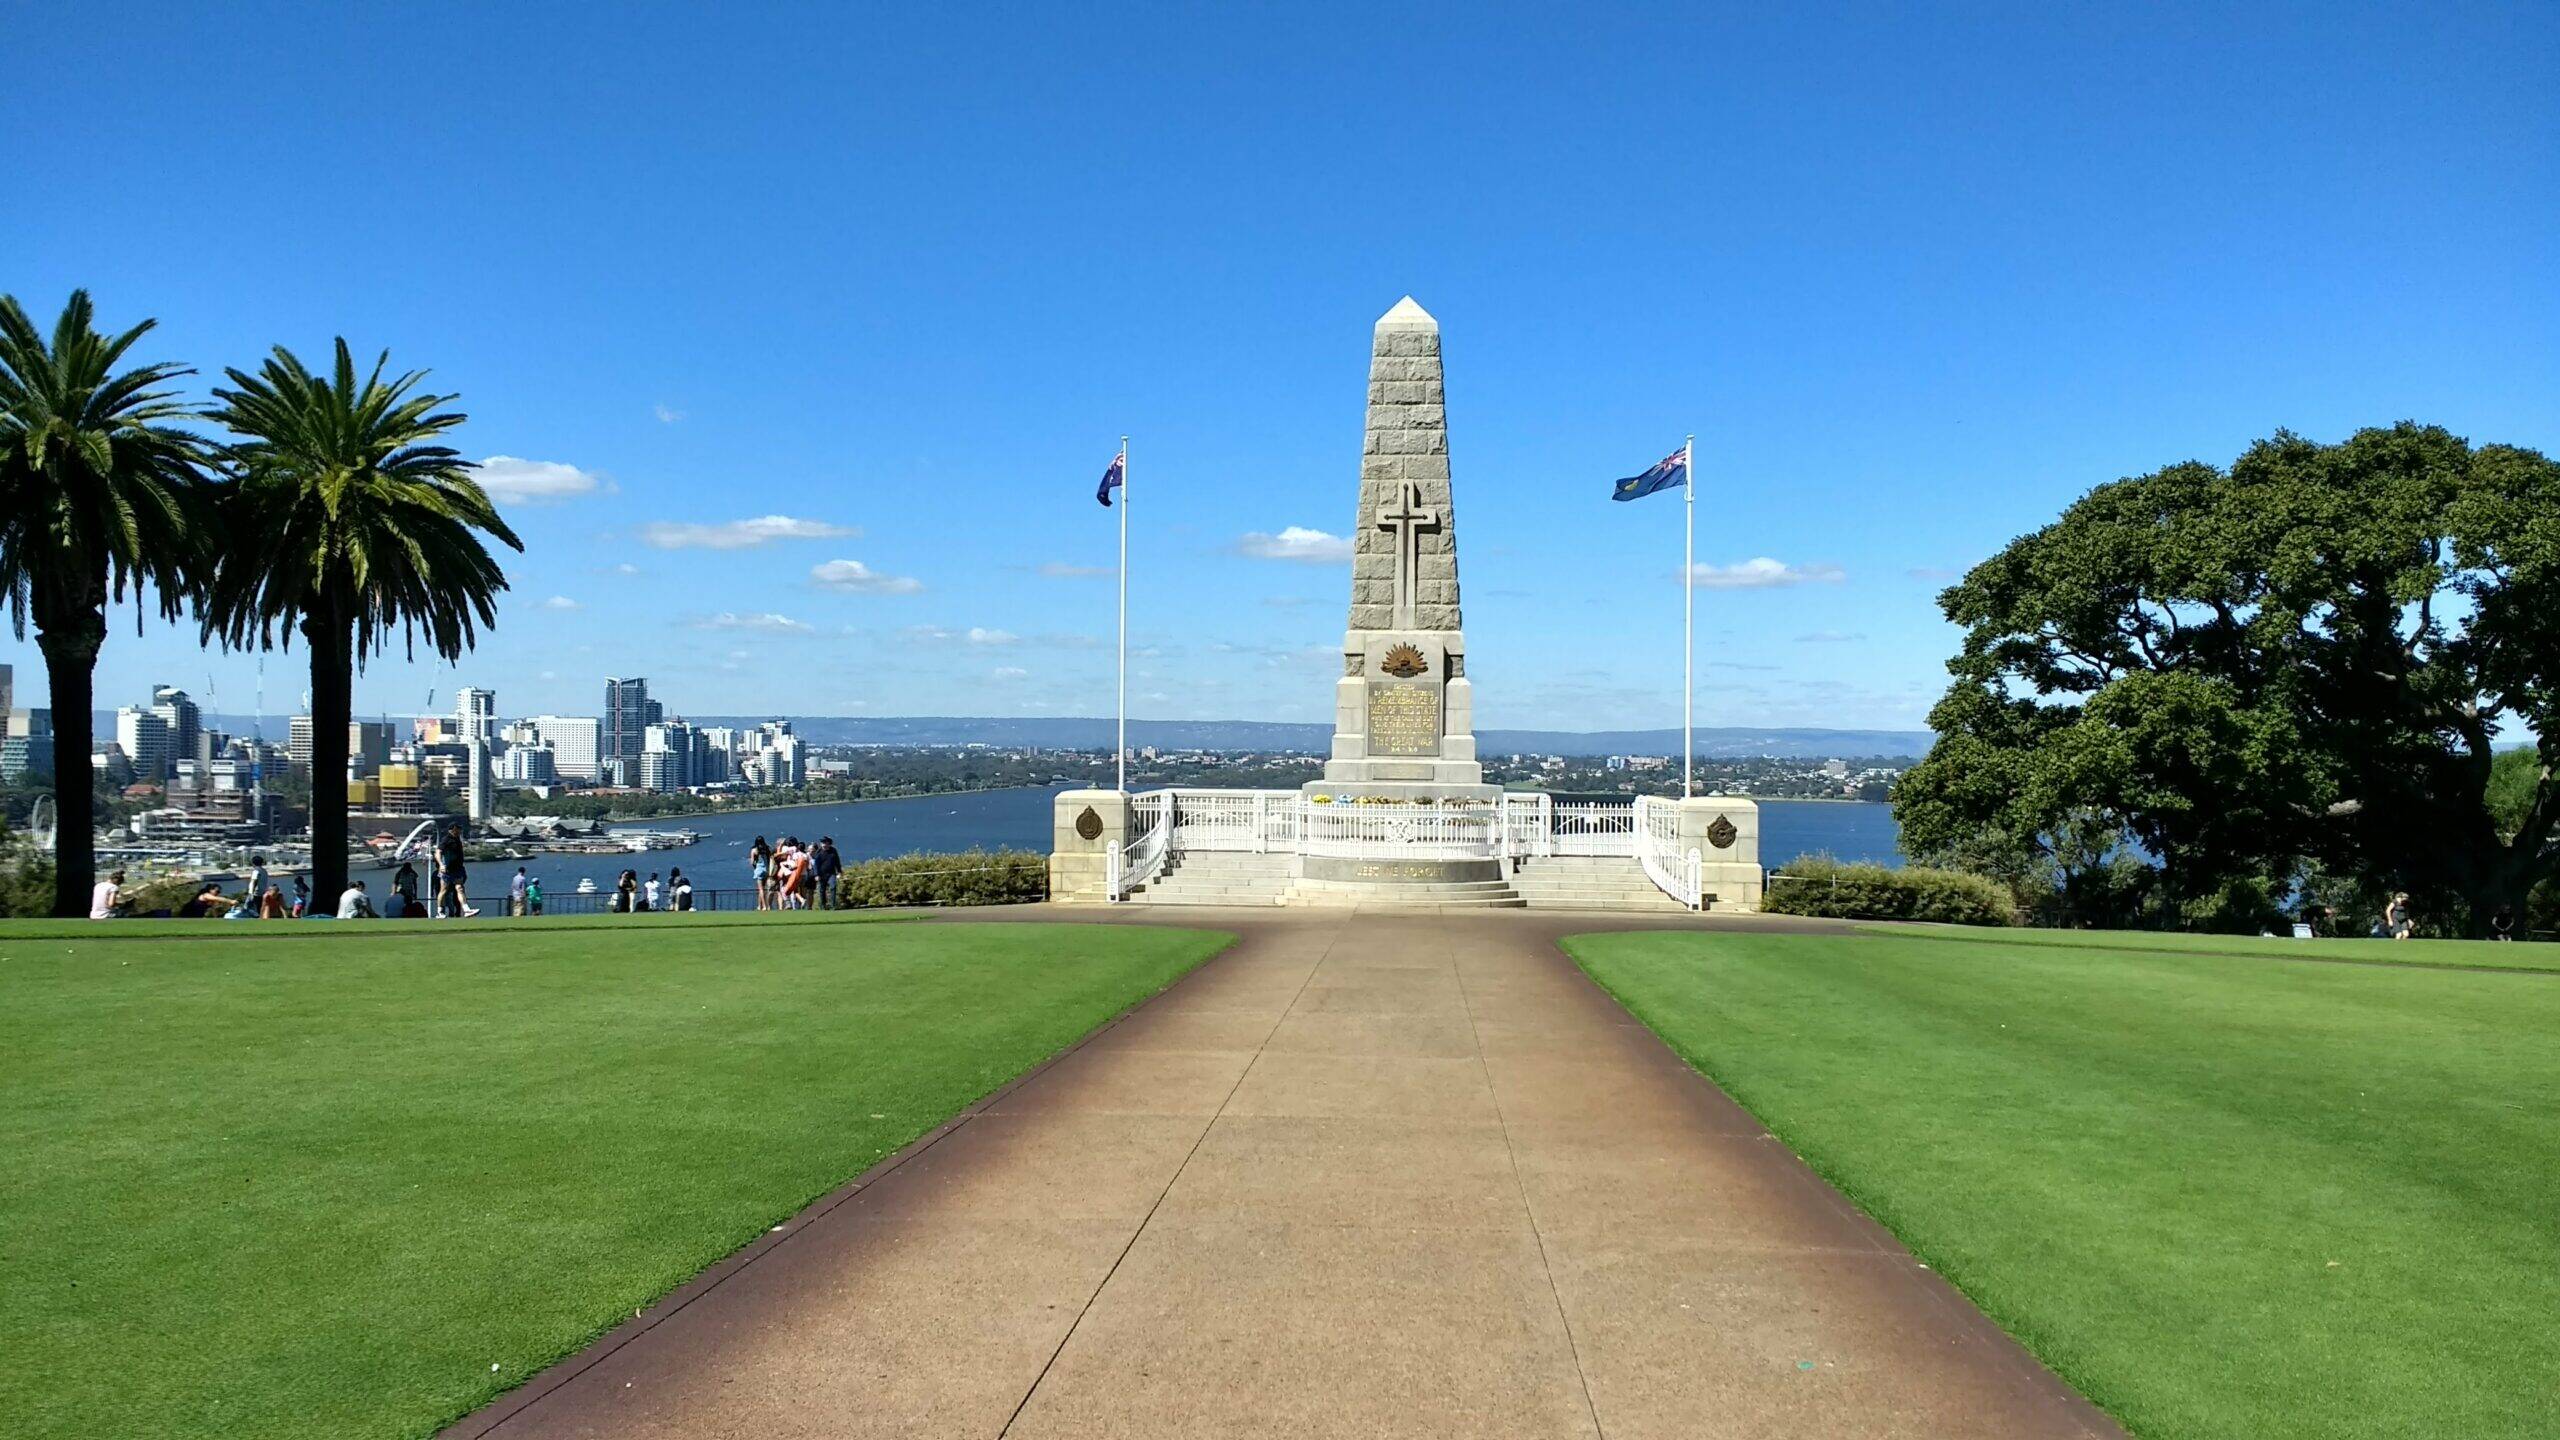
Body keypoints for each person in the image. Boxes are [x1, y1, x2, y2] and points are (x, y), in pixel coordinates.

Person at [438, 824, 480, 918]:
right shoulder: (446, 840)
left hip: (458, 868)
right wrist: (441, 864)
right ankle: (440, 911)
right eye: (458, 830)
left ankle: (466, 909)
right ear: (453, 829)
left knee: (460, 888)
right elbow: (438, 852)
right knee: (443, 890)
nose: (460, 832)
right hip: (447, 869)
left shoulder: (457, 839)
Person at [813, 836, 843, 910]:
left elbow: (837, 862)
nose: (824, 845)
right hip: (821, 874)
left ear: (829, 844)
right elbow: (816, 865)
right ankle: (823, 906)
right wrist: (816, 874)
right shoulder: (818, 852)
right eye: (822, 843)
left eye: (825, 843)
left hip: (831, 873)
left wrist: (839, 872)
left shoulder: (833, 851)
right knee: (822, 890)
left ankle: (833, 905)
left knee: (833, 887)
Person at [750, 837, 773, 910]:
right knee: (764, 888)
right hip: (766, 869)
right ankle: (759, 906)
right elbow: (770, 859)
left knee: (760, 889)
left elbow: (752, 862)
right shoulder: (767, 848)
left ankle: (764, 906)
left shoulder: (754, 850)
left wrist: (755, 867)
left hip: (759, 869)